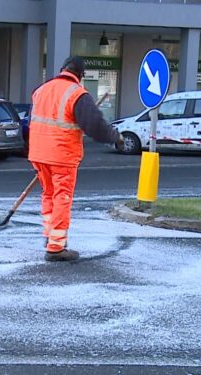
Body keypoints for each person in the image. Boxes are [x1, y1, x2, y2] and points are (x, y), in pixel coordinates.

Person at [28, 56, 124, 262]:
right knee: (62, 197)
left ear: (63, 69)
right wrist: (115, 137)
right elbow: (95, 126)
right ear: (80, 75)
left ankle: (50, 235)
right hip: (61, 154)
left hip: (38, 152)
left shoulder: (41, 90)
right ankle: (56, 247)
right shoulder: (77, 93)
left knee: (49, 194)